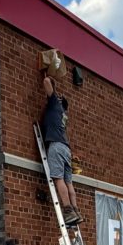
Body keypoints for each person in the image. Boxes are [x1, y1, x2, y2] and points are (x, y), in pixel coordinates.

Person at [41, 74, 82, 227]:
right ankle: (76, 210)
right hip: (66, 149)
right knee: (68, 182)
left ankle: (68, 210)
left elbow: (46, 82)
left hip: (56, 147)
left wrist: (49, 77)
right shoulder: (63, 115)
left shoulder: (54, 105)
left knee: (58, 179)